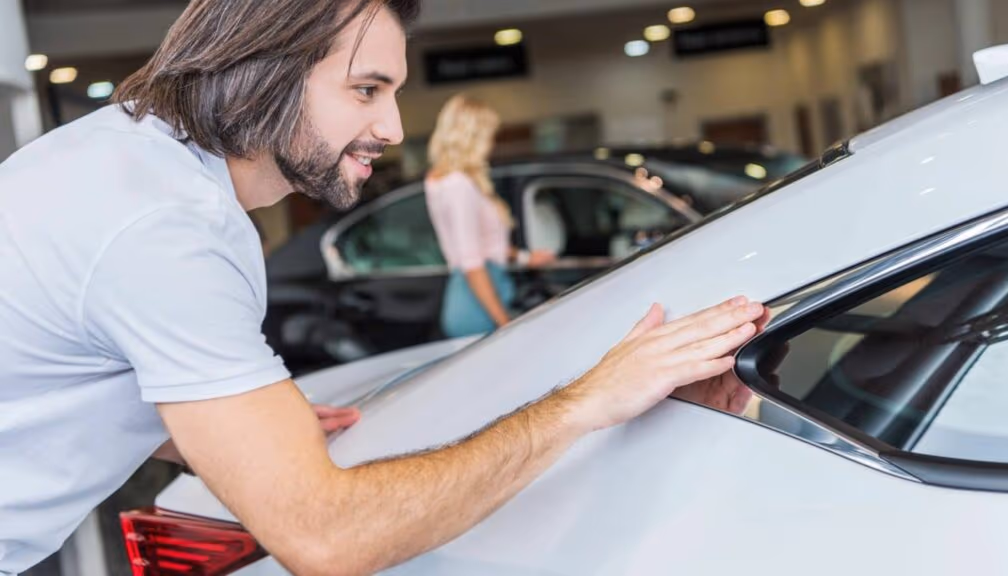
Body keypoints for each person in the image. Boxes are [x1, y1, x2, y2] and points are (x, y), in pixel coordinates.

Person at [0, 0, 766, 574]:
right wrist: (587, 402)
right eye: (366, 89)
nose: (395, 128)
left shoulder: (118, 153)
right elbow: (326, 540)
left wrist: (223, 426)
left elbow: (51, 367)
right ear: (263, 71)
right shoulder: (167, 228)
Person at [425, 95, 553, 337]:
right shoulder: (457, 184)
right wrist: (504, 322)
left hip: (474, 294)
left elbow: (484, 245)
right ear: (471, 137)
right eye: (488, 136)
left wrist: (526, 258)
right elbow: (473, 263)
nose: (491, 144)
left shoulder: (438, 179)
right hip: (478, 302)